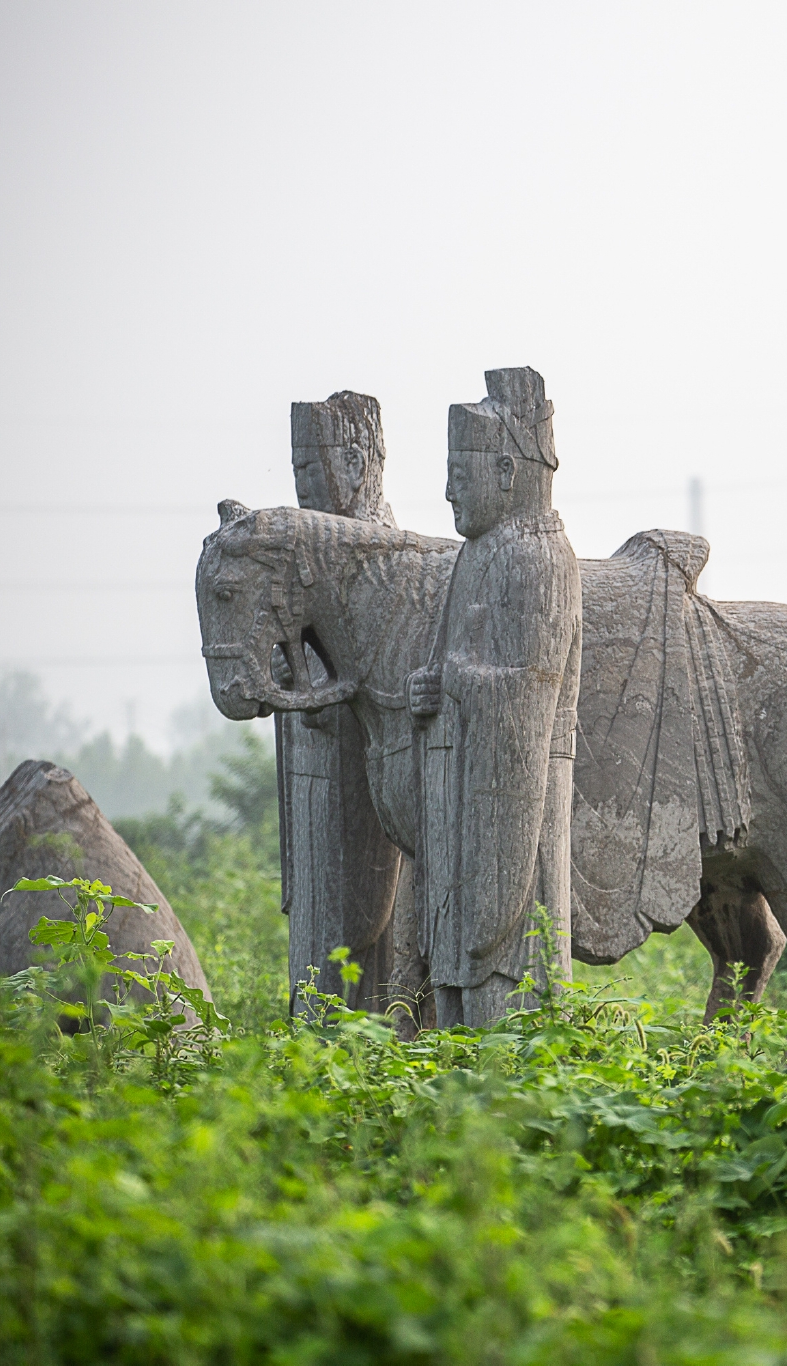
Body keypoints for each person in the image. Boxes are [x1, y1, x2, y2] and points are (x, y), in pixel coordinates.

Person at [408, 368, 582, 1029]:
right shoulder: (478, 554)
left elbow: (530, 696)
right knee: (456, 982)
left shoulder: (538, 557)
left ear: (507, 469)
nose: (450, 487)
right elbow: (461, 666)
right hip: (464, 800)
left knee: (507, 980)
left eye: (462, 468)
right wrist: (433, 689)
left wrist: (459, 680)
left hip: (515, 802)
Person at [278, 391, 405, 1013]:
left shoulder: (392, 558)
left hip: (373, 788)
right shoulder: (294, 561)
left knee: (379, 941)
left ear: (356, 464)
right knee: (319, 954)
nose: (303, 486)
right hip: (312, 784)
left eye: (312, 468)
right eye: (298, 470)